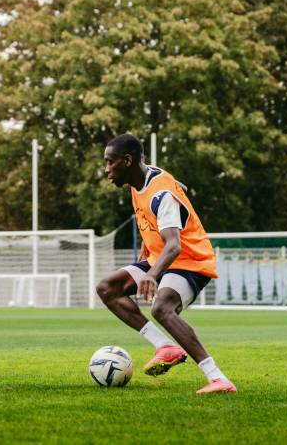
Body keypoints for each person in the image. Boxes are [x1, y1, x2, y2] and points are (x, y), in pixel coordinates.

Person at [97, 133, 236, 394]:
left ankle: (218, 379)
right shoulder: (139, 181)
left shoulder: (161, 195)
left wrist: (151, 275)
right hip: (159, 259)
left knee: (161, 307)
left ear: (127, 161)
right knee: (108, 288)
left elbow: (174, 245)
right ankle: (165, 347)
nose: (106, 170)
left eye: (110, 162)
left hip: (190, 260)